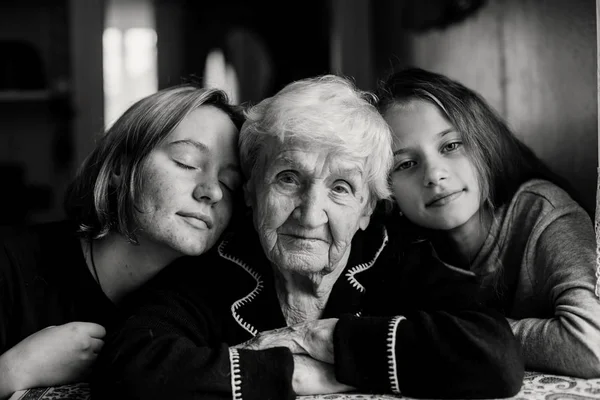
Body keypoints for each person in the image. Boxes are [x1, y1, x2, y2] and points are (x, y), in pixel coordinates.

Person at [92, 74, 524, 400]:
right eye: (288, 178)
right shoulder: (216, 263)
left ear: (367, 209)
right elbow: (127, 367)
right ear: (252, 191)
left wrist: (326, 340)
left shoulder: (396, 255)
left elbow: (495, 357)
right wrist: (294, 374)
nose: (311, 213)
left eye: (341, 188)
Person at [0, 83, 244, 399]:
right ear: (119, 166)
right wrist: (15, 369)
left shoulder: (223, 300)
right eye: (186, 161)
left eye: (229, 182)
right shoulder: (9, 263)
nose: (212, 191)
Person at [375, 67, 600, 378]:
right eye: (406, 164)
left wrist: (469, 335)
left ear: (483, 142)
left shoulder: (542, 212)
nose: (434, 175)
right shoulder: (395, 247)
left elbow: (591, 345)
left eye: (450, 146)